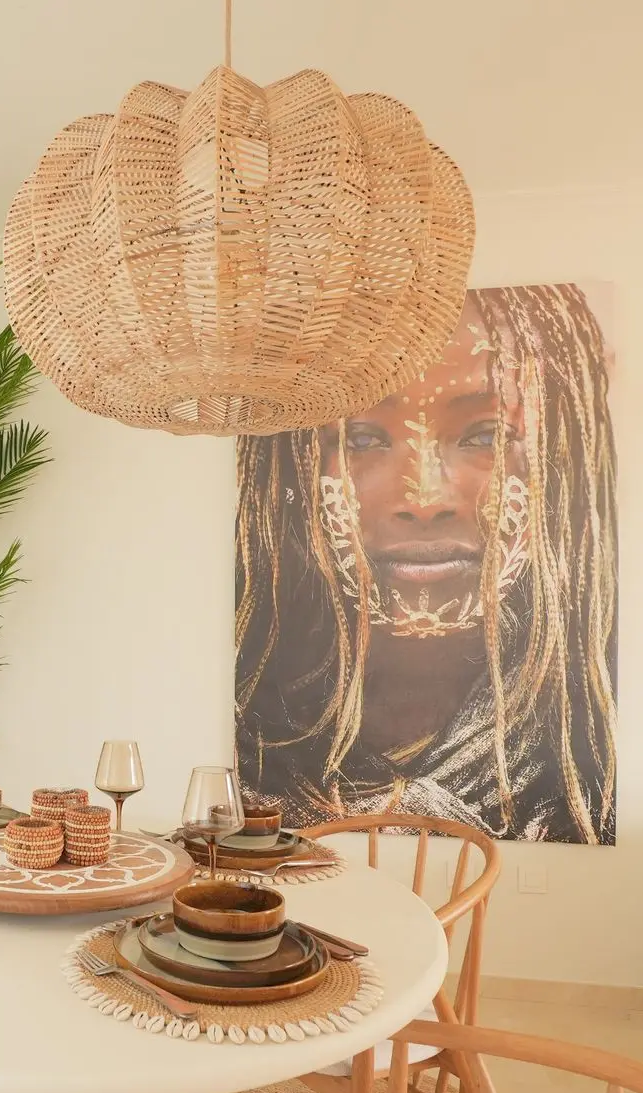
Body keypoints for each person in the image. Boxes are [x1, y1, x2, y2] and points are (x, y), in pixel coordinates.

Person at [235, 283, 617, 843]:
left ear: (562, 461)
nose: (423, 498)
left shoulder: (594, 763)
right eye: (361, 438)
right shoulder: (248, 747)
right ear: (290, 468)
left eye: (486, 435)